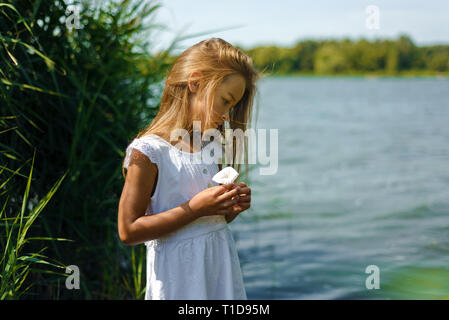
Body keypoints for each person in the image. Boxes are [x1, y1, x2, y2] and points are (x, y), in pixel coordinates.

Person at [118, 37, 260, 300]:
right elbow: (128, 230)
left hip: (219, 272)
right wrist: (195, 209)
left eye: (233, 106)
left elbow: (213, 220)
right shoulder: (148, 151)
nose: (227, 115)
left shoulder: (211, 144)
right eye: (225, 100)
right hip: (178, 281)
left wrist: (230, 206)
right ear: (195, 82)